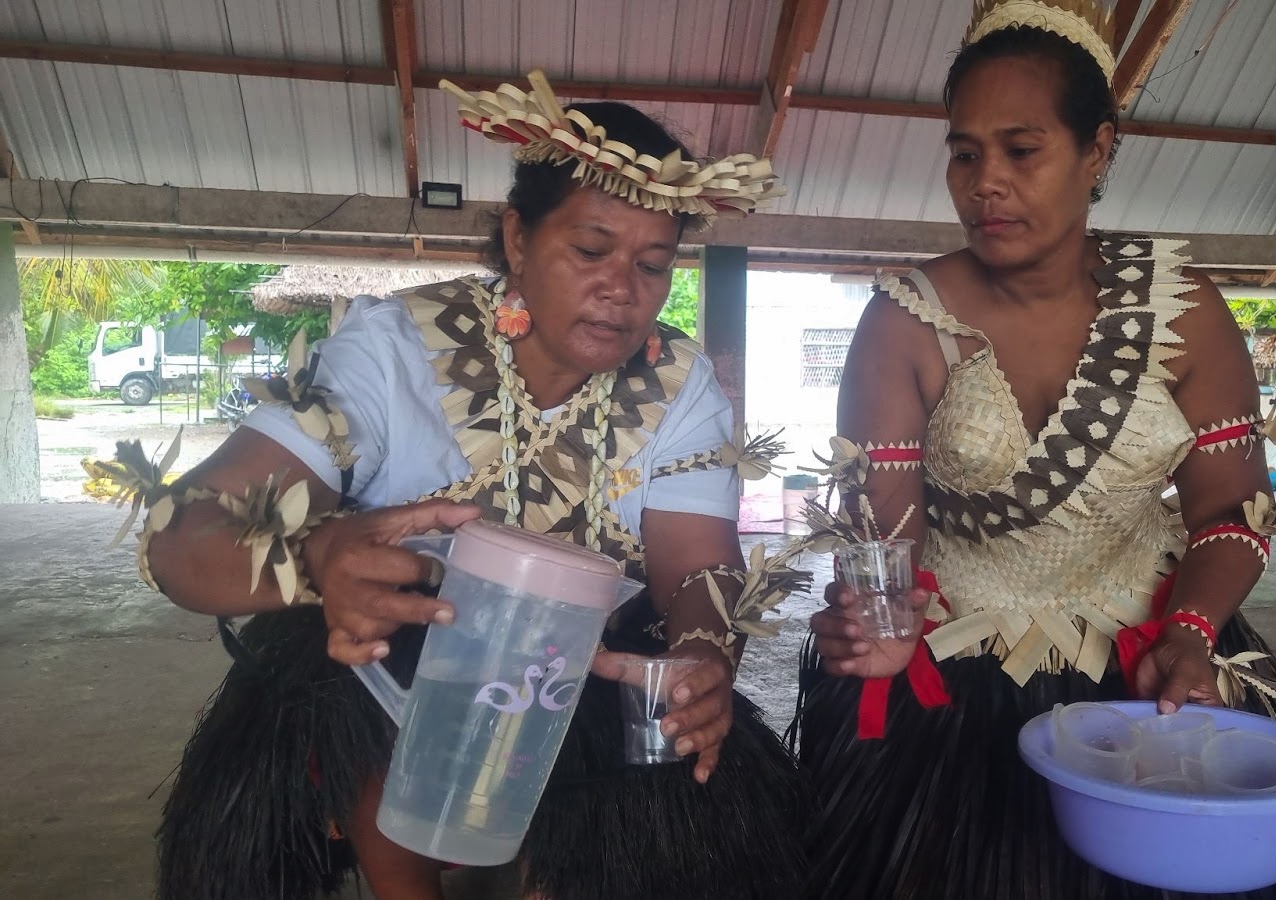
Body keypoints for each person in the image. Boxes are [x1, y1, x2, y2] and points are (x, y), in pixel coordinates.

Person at [115, 72, 807, 900]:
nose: (623, 290)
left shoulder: (679, 382)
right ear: (517, 239)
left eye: (654, 266)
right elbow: (183, 540)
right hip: (381, 688)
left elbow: (696, 567)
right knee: (399, 647)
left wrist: (701, 654)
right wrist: (316, 559)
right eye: (591, 251)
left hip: (585, 672)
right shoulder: (395, 350)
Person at [788, 2, 1276, 898]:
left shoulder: (1185, 313)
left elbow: (1231, 507)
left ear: (1097, 150)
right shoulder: (904, 321)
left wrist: (1192, 632)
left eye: (1021, 150)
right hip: (953, 665)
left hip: (1149, 652)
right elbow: (889, 531)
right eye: (964, 153)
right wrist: (887, 612)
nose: (985, 182)